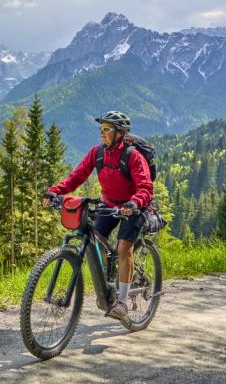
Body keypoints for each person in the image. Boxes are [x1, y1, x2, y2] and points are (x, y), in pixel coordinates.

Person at [43, 110, 153, 322]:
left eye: (107, 129)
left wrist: (134, 202)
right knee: (96, 239)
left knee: (123, 247)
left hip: (135, 207)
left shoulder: (133, 156)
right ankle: (109, 282)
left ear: (120, 133)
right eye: (101, 129)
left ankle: (121, 301)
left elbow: (146, 188)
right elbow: (77, 176)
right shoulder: (98, 153)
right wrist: (55, 190)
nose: (102, 133)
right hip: (110, 205)